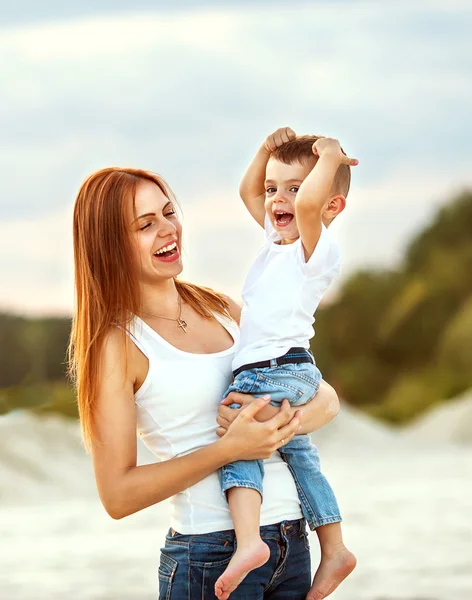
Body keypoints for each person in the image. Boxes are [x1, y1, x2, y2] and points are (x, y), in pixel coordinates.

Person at [68, 166, 343, 599]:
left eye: (168, 212)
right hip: (209, 553)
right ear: (110, 246)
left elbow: (324, 396)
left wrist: (276, 426)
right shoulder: (116, 346)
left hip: (291, 543)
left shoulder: (223, 308)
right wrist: (229, 449)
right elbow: (117, 495)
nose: (167, 229)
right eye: (145, 225)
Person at [215, 128, 358, 600]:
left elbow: (307, 208)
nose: (278, 199)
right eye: (274, 188)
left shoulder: (312, 253)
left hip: (273, 370)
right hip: (288, 370)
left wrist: (331, 157)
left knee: (239, 443)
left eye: (294, 189)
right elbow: (247, 190)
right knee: (300, 455)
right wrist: (264, 152)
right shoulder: (273, 244)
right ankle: (334, 547)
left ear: (328, 206)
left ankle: (250, 541)